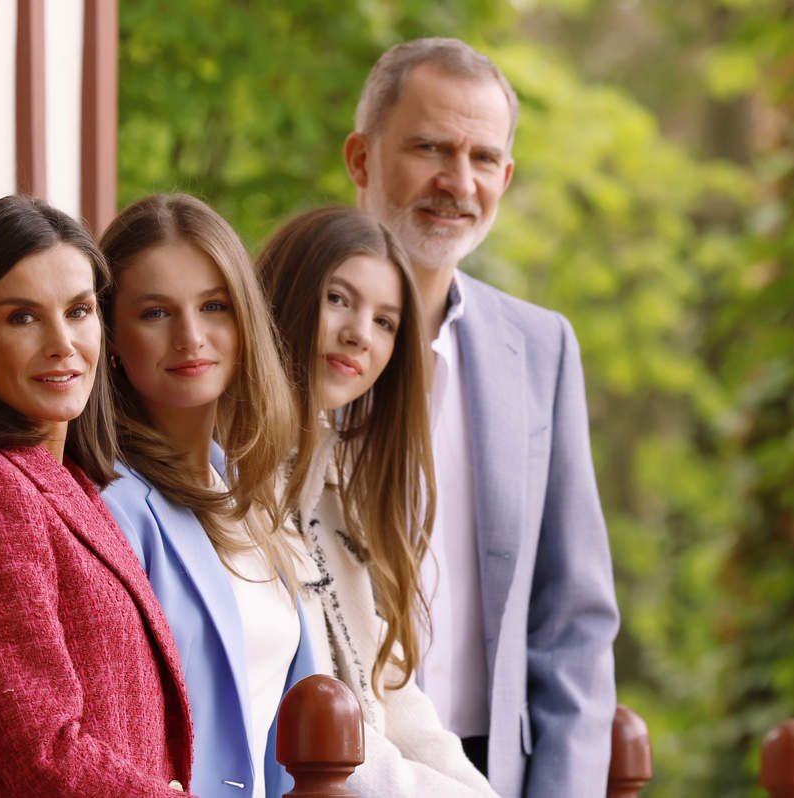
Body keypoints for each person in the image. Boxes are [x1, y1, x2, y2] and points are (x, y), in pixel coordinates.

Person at [342, 38, 621, 796]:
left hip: (493, 770)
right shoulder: (282, 336)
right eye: (430, 147)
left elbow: (574, 620)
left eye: (482, 157)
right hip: (327, 765)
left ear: (506, 176)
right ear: (361, 159)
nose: (456, 182)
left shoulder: (542, 348)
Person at [0, 195, 195, 797]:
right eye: (22, 317)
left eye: (80, 311)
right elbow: (43, 750)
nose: (63, 343)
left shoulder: (75, 487)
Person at [257, 204, 499, 797]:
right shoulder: (232, 482)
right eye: (338, 299)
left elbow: (392, 697)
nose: (359, 333)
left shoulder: (338, 488)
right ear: (285, 293)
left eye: (386, 321)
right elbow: (315, 732)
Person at [97, 193, 319, 798]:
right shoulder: (108, 507)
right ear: (110, 336)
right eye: (155, 313)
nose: (191, 337)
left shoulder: (245, 495)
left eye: (214, 306)